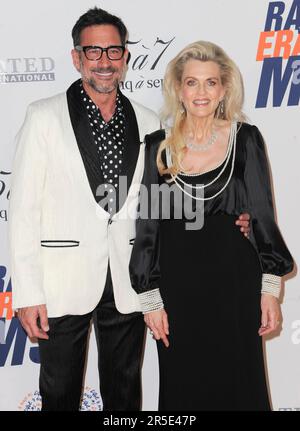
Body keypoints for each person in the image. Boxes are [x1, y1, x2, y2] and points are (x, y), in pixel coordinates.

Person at [8, 7, 250, 411]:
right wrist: (27, 293)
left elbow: (165, 202)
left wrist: (233, 220)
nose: (104, 62)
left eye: (113, 51)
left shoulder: (148, 120)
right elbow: (23, 210)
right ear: (76, 58)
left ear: (125, 57)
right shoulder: (43, 116)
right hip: (61, 282)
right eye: (93, 51)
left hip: (127, 277)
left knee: (124, 394)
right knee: (59, 393)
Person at [130, 41, 294, 411]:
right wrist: (150, 299)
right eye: (192, 83)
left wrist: (270, 291)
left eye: (210, 83)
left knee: (240, 384)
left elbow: (262, 216)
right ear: (178, 89)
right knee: (183, 386)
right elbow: (147, 228)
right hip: (178, 290)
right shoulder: (158, 147)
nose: (201, 92)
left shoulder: (246, 139)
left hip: (234, 284)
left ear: (223, 89)